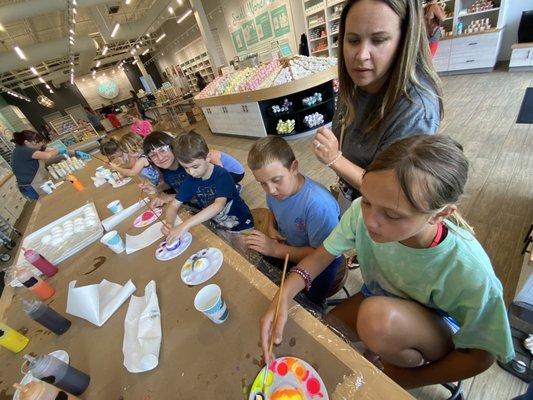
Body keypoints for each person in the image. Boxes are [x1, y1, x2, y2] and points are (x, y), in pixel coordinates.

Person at [259, 135, 514, 389]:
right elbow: (320, 256)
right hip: (379, 297)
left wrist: (406, 379)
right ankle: (382, 346)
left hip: (433, 330)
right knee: (322, 333)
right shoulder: (360, 212)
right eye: (367, 200)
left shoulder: (469, 269)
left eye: (392, 215)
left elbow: (482, 355)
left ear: (440, 215)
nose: (370, 220)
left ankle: (397, 360)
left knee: (377, 320)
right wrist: (284, 294)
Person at [313, 0, 442, 211]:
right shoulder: (356, 85)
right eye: (353, 40)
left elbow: (392, 192)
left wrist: (335, 159)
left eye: (379, 40)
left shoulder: (416, 110)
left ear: (404, 41)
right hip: (354, 200)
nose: (361, 56)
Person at [244, 137, 342, 305]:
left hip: (323, 261)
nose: (271, 190)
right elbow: (273, 209)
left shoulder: (318, 205)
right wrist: (271, 226)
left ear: (294, 167)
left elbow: (322, 256)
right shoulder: (277, 192)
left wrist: (275, 249)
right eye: (263, 184)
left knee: (308, 305)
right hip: (292, 247)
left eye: (276, 180)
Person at [162, 131, 254, 245]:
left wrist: (184, 225)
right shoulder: (190, 179)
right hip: (219, 225)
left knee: (246, 254)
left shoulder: (221, 174)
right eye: (186, 168)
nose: (191, 172)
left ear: (208, 157)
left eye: (195, 166)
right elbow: (174, 205)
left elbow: (218, 205)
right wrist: (169, 223)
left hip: (242, 224)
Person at [11, 130, 90, 200]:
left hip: (40, 181)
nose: (39, 144)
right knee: (48, 202)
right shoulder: (22, 150)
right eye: (36, 142)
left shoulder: (31, 148)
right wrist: (58, 150)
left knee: (55, 198)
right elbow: (47, 155)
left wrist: (75, 152)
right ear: (26, 142)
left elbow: (52, 150)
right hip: (32, 186)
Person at [142, 131, 189, 207]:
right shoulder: (166, 171)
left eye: (163, 150)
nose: (160, 158)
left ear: (172, 147)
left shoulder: (189, 165)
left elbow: (198, 192)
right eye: (153, 155)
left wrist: (170, 197)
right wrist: (155, 188)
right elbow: (171, 183)